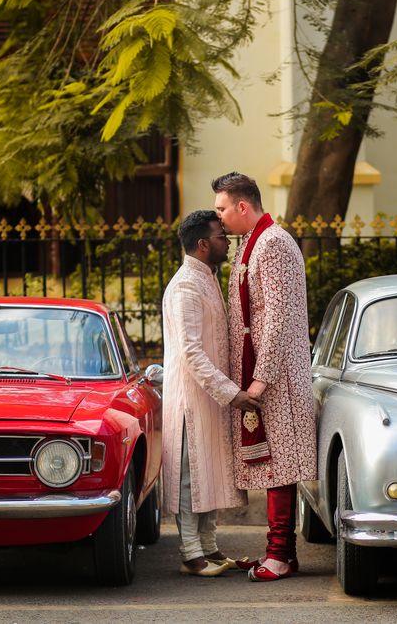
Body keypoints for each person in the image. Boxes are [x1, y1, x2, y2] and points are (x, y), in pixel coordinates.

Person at [212, 171, 318, 582]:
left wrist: (261, 378)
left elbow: (276, 318)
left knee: (280, 466)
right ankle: (278, 552)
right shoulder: (250, 245)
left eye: (222, 208)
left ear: (242, 206)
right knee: (271, 464)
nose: (219, 218)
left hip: (275, 377)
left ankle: (281, 555)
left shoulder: (273, 244)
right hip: (260, 374)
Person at [161, 209, 262, 577]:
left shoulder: (206, 278)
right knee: (191, 474)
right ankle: (190, 553)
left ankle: (209, 547)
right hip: (192, 398)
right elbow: (190, 351)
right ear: (203, 244)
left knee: (209, 471)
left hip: (212, 396)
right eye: (221, 236)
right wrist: (230, 392)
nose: (227, 241)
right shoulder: (186, 285)